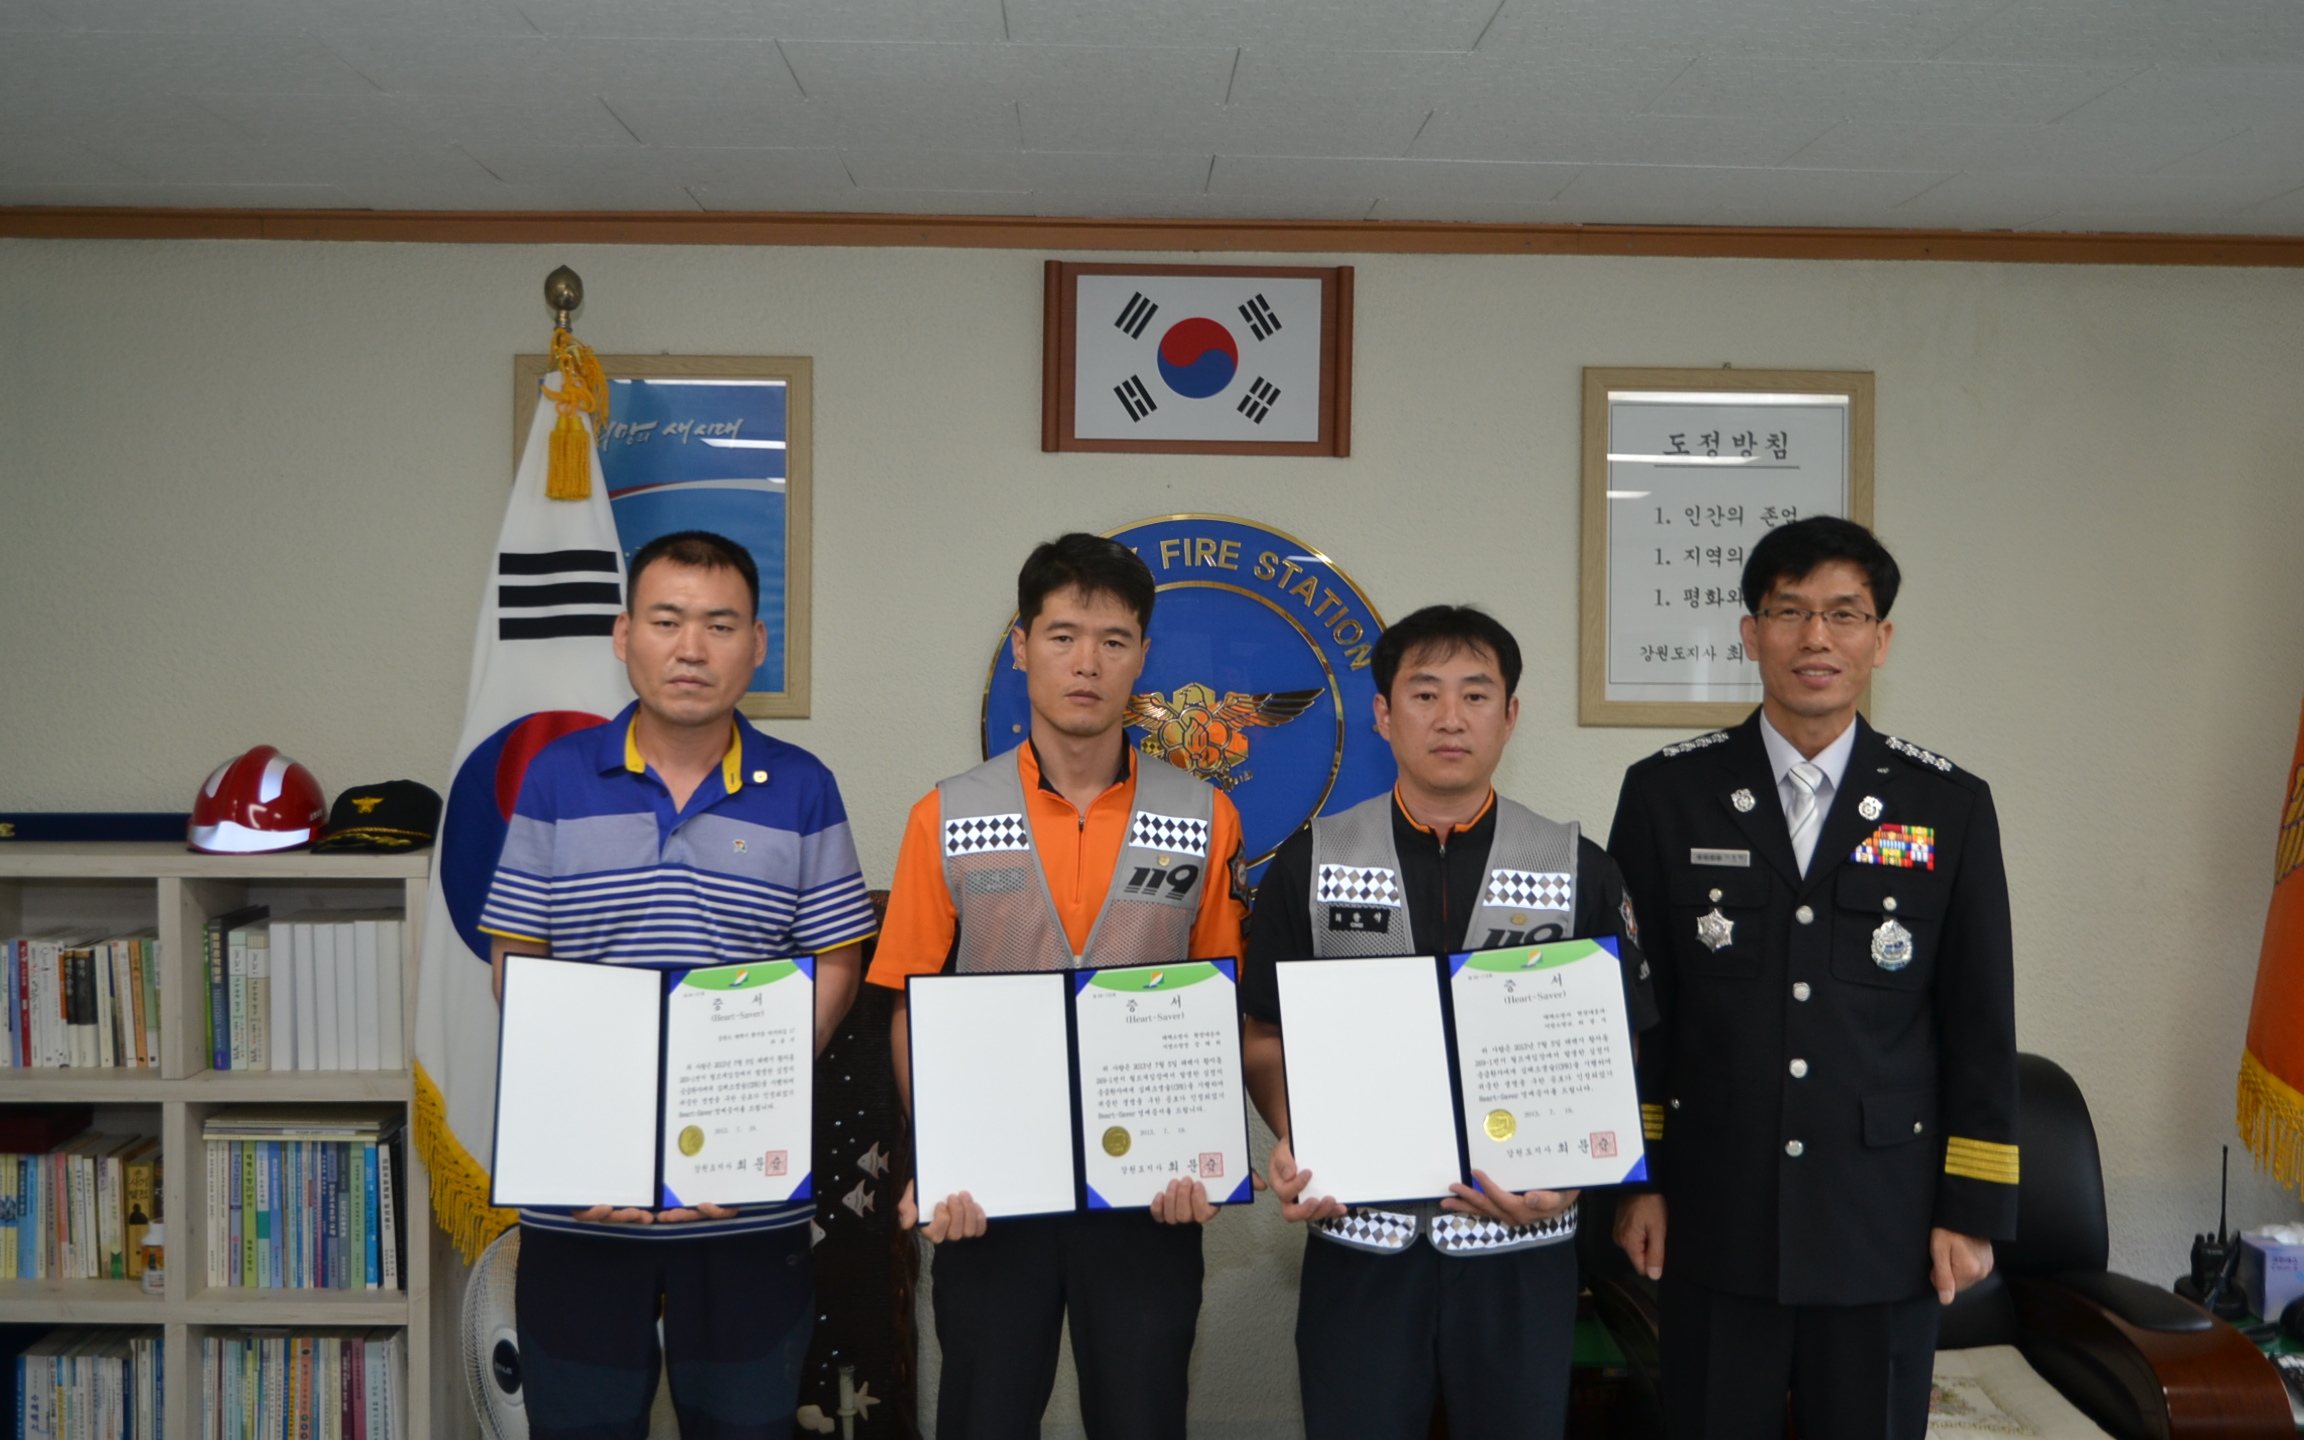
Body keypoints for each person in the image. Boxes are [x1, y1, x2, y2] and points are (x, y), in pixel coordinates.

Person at [1607, 515, 2017, 1440]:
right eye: (1790, 612)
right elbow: (1638, 1014)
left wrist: (1972, 1207)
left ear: (1881, 639)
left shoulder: (1948, 805)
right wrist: (1639, 1179)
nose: (1816, 638)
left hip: (1884, 1223)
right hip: (1715, 1213)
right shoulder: (1667, 794)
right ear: (1751, 634)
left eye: (1844, 614)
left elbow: (1979, 1021)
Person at [481, 530, 877, 1440]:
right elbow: (519, 959)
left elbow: (836, 961)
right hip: (584, 1205)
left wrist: (758, 1098)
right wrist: (583, 1139)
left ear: (756, 644)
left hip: (744, 1209)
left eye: (719, 625)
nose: (691, 648)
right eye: (666, 621)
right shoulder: (556, 776)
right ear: (624, 635)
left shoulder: (803, 787)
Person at [1241, 605, 1658, 1440]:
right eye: (1425, 694)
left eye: (1476, 694)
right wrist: (1299, 1136)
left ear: (1510, 715)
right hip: (1361, 1242)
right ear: (1383, 714)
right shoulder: (1311, 862)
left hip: (1521, 1247)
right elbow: (1263, 1036)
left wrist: (1578, 1171)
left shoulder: (1575, 866)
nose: (1450, 718)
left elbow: (1624, 1041)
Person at [872, 532, 1250, 1440]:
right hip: (992, 1200)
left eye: (1113, 641)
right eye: (1063, 636)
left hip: (1148, 1197)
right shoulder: (946, 815)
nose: (1088, 663)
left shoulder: (1203, 814)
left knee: (1144, 1420)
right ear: (1022, 648)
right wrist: (946, 1153)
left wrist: (1206, 1155)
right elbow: (911, 1008)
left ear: (1142, 657)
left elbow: (1219, 1006)